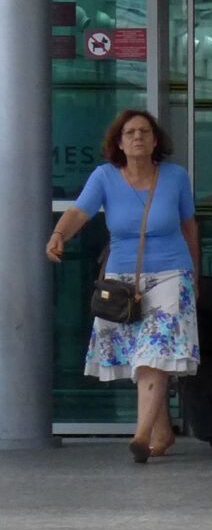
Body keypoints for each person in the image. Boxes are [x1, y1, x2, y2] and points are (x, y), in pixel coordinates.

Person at [46, 109, 200, 463]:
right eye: (129, 133)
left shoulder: (175, 177)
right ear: (118, 142)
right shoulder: (104, 177)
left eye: (144, 132)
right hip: (121, 282)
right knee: (140, 356)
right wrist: (58, 235)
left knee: (154, 353)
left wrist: (194, 275)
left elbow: (190, 226)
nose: (137, 138)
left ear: (155, 140)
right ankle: (162, 430)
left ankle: (141, 435)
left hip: (170, 275)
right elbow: (78, 213)